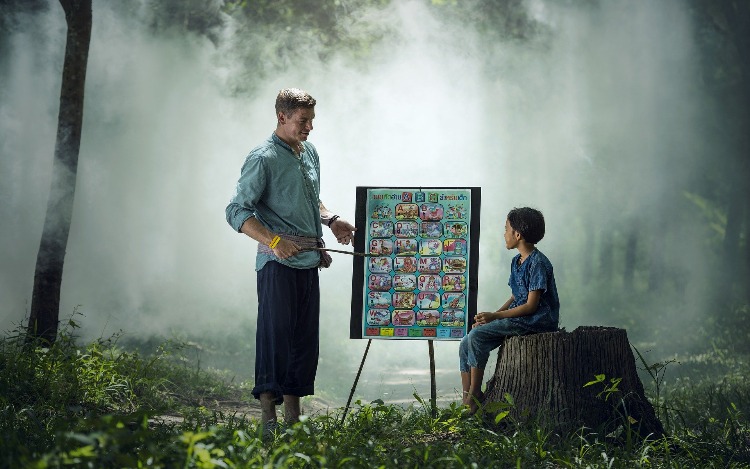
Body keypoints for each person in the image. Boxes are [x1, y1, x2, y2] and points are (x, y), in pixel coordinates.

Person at [225, 88, 356, 434]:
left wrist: (332, 219)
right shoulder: (262, 158)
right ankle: (268, 421)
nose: (310, 127)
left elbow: (309, 198)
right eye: (303, 120)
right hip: (277, 264)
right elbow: (236, 211)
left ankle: (293, 422)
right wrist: (274, 241)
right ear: (282, 117)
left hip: (309, 260)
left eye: (312, 120)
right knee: (275, 336)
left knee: (303, 341)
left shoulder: (309, 152)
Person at [459, 207, 559, 413]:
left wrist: (495, 316)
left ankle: (475, 394)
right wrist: (491, 317)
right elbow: (516, 295)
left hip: (536, 320)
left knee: (477, 336)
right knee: (466, 340)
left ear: (518, 235)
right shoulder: (517, 261)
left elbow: (531, 306)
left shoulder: (538, 263)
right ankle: (466, 395)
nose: (504, 234)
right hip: (519, 317)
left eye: (506, 229)